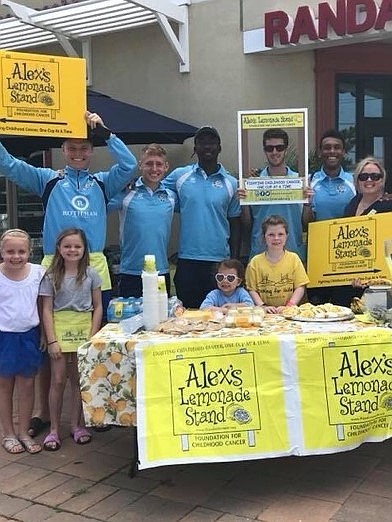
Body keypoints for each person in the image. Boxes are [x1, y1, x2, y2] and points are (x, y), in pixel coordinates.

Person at [0, 111, 137, 435]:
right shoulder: (49, 179)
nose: (78, 154)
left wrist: (103, 131)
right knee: (50, 344)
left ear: (91, 151)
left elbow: (130, 165)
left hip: (93, 270)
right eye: (72, 149)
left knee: (93, 341)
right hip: (53, 271)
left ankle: (91, 409)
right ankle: (43, 413)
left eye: (84, 149)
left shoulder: (102, 182)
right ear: (64, 149)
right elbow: (8, 165)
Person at [163, 126, 241, 308]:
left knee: (220, 316)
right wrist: (132, 186)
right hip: (188, 260)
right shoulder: (179, 176)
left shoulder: (231, 183)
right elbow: (155, 187)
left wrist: (234, 261)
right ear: (195, 148)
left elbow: (235, 223)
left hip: (219, 262)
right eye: (202, 142)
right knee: (189, 315)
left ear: (219, 148)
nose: (207, 146)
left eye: (212, 142)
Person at [39, 228, 102, 451]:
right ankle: (54, 429)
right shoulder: (50, 275)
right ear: (59, 248)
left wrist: (93, 334)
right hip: (60, 329)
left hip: (83, 332)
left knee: (78, 381)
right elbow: (46, 309)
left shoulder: (92, 274)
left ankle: (77, 425)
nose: (72, 250)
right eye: (67, 246)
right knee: (58, 380)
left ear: (84, 249)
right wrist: (52, 339)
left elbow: (98, 305)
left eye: (77, 246)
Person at [108, 144, 177, 297]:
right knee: (130, 319)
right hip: (131, 271)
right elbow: (99, 206)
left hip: (160, 271)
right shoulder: (126, 192)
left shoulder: (171, 196)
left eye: (159, 164)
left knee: (159, 319)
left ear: (166, 167)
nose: (154, 169)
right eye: (149, 163)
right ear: (140, 165)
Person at [0, 229, 45, 454]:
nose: (15, 256)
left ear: (29, 251)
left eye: (21, 251)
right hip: (4, 337)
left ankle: (23, 431)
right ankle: (8, 432)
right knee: (5, 386)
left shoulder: (38, 273)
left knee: (27, 385)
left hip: (29, 335)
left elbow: (43, 304)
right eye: (10, 252)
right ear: (2, 252)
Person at [303, 129, 356, 306]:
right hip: (318, 259)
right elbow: (305, 223)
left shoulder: (354, 182)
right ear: (320, 152)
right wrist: (307, 203)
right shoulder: (309, 181)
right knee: (318, 312)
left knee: (345, 309)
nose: (332, 151)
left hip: (346, 259)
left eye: (336, 147)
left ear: (344, 152)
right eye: (327, 147)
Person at [246, 128, 306, 262]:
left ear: (286, 149)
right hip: (260, 257)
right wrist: (242, 201)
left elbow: (306, 221)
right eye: (269, 148)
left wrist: (308, 202)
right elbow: (246, 223)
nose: (274, 152)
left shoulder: (300, 181)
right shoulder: (253, 183)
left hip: (293, 256)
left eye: (279, 148)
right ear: (264, 150)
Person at [345, 157, 392, 292]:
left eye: (375, 176)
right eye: (364, 176)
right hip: (351, 277)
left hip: (380, 280)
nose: (369, 180)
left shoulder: (388, 205)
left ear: (382, 179)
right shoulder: (353, 202)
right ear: (357, 180)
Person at [245, 215, 309, 314]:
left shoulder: (294, 259)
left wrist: (290, 305)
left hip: (288, 312)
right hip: (264, 313)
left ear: (286, 236)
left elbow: (300, 287)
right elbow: (252, 290)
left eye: (280, 234)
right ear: (264, 236)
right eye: (271, 234)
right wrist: (262, 306)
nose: (276, 238)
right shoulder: (255, 262)